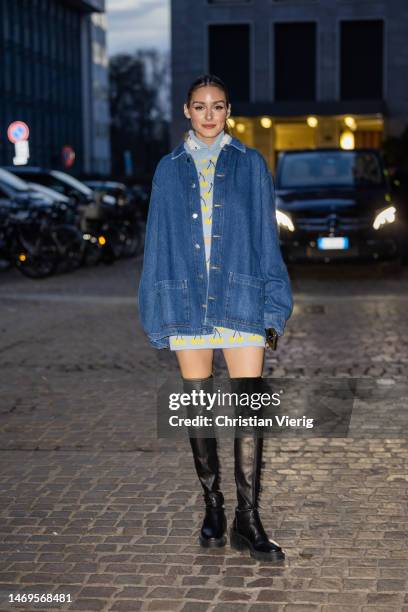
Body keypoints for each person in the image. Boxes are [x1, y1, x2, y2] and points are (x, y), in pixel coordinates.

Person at [138, 74, 293, 562]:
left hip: (240, 297)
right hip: (187, 301)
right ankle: (214, 506)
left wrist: (273, 305)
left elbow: (266, 240)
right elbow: (157, 244)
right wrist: (155, 308)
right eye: (200, 106)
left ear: (229, 111)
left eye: (218, 106)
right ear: (186, 110)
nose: (209, 115)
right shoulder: (167, 170)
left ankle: (249, 519)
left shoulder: (251, 165)